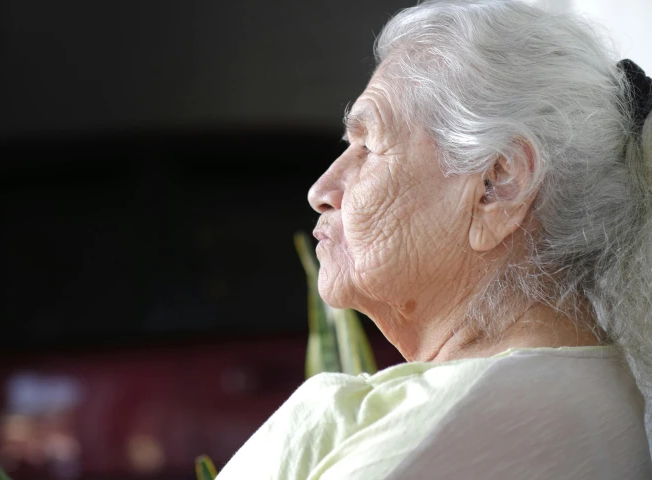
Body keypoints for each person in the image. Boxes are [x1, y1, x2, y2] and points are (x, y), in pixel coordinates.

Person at [216, 0, 652, 478]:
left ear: (497, 185)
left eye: (367, 146)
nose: (321, 191)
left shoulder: (450, 428)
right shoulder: (613, 393)